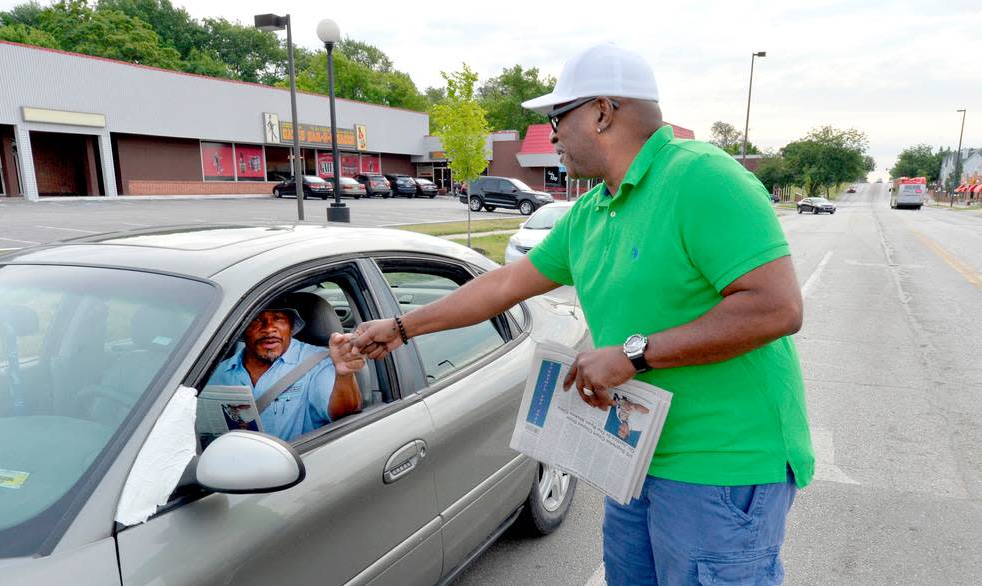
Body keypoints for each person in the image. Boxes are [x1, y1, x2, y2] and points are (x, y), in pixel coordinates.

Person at [351, 42, 813, 585]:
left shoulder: (702, 177)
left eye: (556, 118)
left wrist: (632, 356)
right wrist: (402, 327)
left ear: (601, 112)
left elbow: (777, 307)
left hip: (721, 468)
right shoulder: (592, 211)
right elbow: (502, 285)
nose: (551, 136)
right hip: (636, 459)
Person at [209, 301, 364, 442]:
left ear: (290, 327)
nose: (269, 328)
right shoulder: (217, 372)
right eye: (256, 319)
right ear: (242, 329)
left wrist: (344, 374)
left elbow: (344, 414)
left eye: (278, 318)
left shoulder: (319, 362)